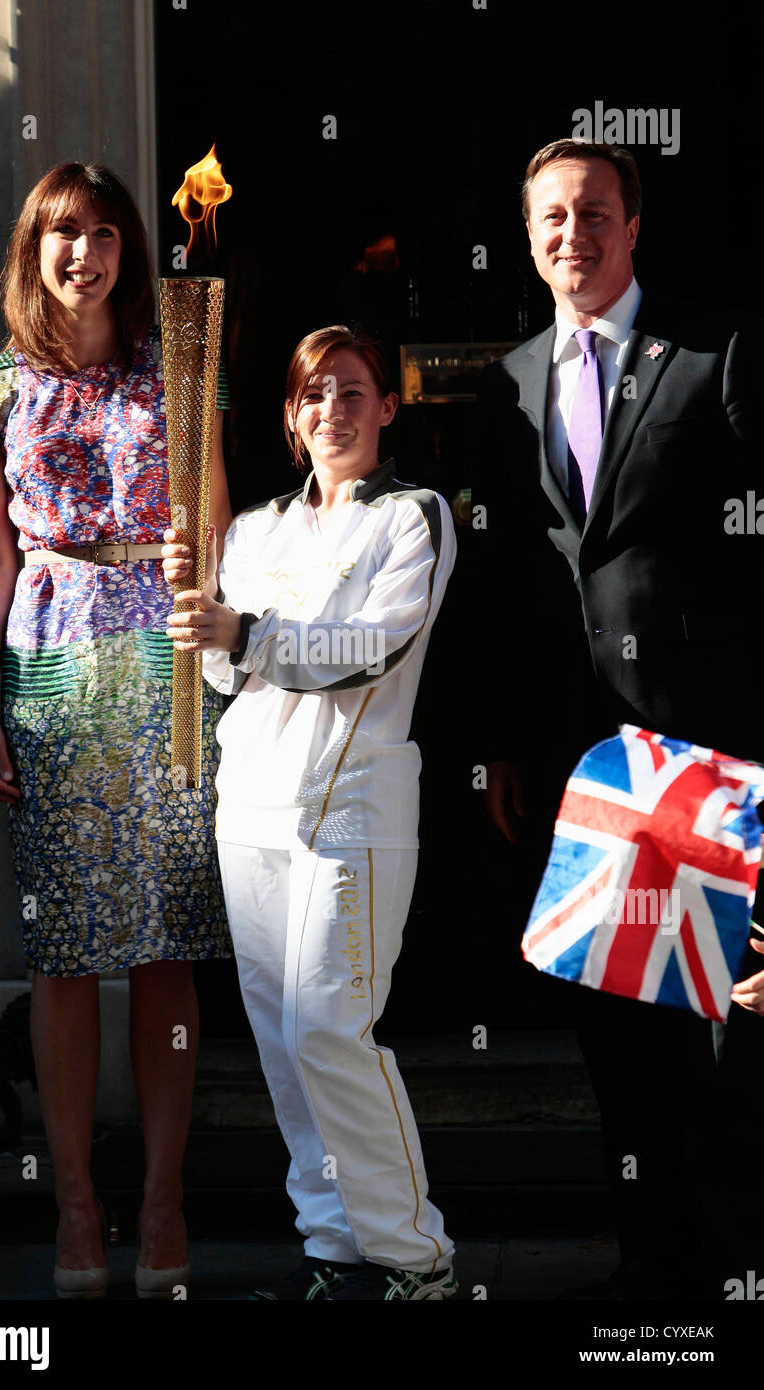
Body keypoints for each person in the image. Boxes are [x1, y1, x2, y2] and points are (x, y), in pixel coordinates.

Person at [475, 138, 764, 1297]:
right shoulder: (508, 380)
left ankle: (734, 1266)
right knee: (614, 1015)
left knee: (722, 1021)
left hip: (705, 751)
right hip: (581, 758)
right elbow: (511, 579)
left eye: (592, 212)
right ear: (526, 234)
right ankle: (648, 1264)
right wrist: (504, 739)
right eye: (550, 216)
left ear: (631, 226)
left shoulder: (712, 352)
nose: (571, 234)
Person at [0, 162, 232, 1299]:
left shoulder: (182, 363)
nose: (86, 252)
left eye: (107, 232)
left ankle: (162, 1203)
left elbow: (217, 515)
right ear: (35, 247)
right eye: (65, 232)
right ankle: (76, 1210)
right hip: (52, 670)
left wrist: (200, 574)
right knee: (63, 954)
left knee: (168, 944)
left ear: (129, 250)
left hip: (168, 666)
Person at [163, 325, 458, 1299]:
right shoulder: (252, 531)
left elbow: (371, 647)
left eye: (352, 390)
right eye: (313, 394)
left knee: (332, 1027)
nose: (333, 409)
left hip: (352, 808)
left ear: (386, 407)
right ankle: (334, 1247)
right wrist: (200, 615)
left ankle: (415, 1259)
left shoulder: (412, 518)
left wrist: (244, 630)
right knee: (285, 1045)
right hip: (249, 807)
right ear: (291, 418)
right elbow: (222, 673)